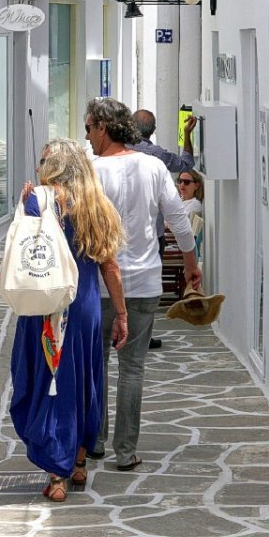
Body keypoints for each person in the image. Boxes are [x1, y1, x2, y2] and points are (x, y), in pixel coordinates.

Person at [84, 98, 202, 470]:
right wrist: (191, 264)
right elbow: (178, 222)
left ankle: (95, 442)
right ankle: (125, 451)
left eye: (89, 128)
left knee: (96, 364)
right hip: (146, 282)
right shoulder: (152, 167)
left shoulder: (91, 170)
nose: (86, 137)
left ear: (104, 127)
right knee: (132, 368)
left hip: (101, 285)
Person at [10, 138, 128, 503]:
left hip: (46, 305)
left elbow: (22, 250)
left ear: (54, 166)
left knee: (48, 380)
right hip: (85, 306)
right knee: (82, 381)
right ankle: (78, 462)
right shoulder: (97, 205)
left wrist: (25, 203)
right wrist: (121, 313)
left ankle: (57, 474)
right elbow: (110, 266)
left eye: (44, 160)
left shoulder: (38, 201)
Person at [132, 108, 197, 350]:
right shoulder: (157, 155)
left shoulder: (116, 153)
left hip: (121, 234)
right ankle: (143, 336)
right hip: (153, 235)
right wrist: (188, 135)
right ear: (153, 130)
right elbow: (186, 163)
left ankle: (121, 329)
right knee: (149, 286)